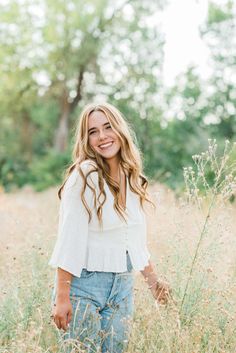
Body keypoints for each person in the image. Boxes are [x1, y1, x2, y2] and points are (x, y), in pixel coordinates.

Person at [49, 102, 171, 353]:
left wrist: (154, 283)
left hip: (122, 289)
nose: (102, 136)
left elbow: (134, 241)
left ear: (120, 130)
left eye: (108, 127)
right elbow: (69, 239)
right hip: (84, 288)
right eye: (93, 131)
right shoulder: (84, 176)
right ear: (86, 139)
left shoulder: (131, 177)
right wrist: (62, 297)